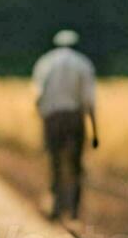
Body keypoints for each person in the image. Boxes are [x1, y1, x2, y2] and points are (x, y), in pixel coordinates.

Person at [32, 30, 98, 219]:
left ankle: (56, 204)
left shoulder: (46, 62)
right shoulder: (83, 64)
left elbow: (38, 96)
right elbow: (88, 100)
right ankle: (74, 207)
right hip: (74, 117)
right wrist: (94, 131)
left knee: (55, 160)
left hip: (52, 117)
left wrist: (43, 121)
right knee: (75, 162)